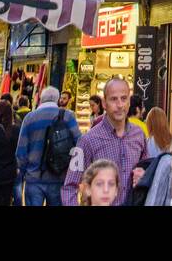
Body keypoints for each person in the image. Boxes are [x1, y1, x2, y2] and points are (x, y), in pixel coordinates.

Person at [63, 78, 149, 206]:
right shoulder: (88, 140)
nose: (120, 105)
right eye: (114, 99)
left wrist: (144, 175)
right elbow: (70, 186)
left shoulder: (139, 135)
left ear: (129, 102)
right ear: (104, 103)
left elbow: (146, 171)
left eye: (124, 98)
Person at [16, 86, 80, 206]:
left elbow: (21, 151)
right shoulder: (68, 116)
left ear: (41, 99)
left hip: (34, 177)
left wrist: (22, 173)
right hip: (59, 177)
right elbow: (79, 145)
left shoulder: (30, 118)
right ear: (57, 100)